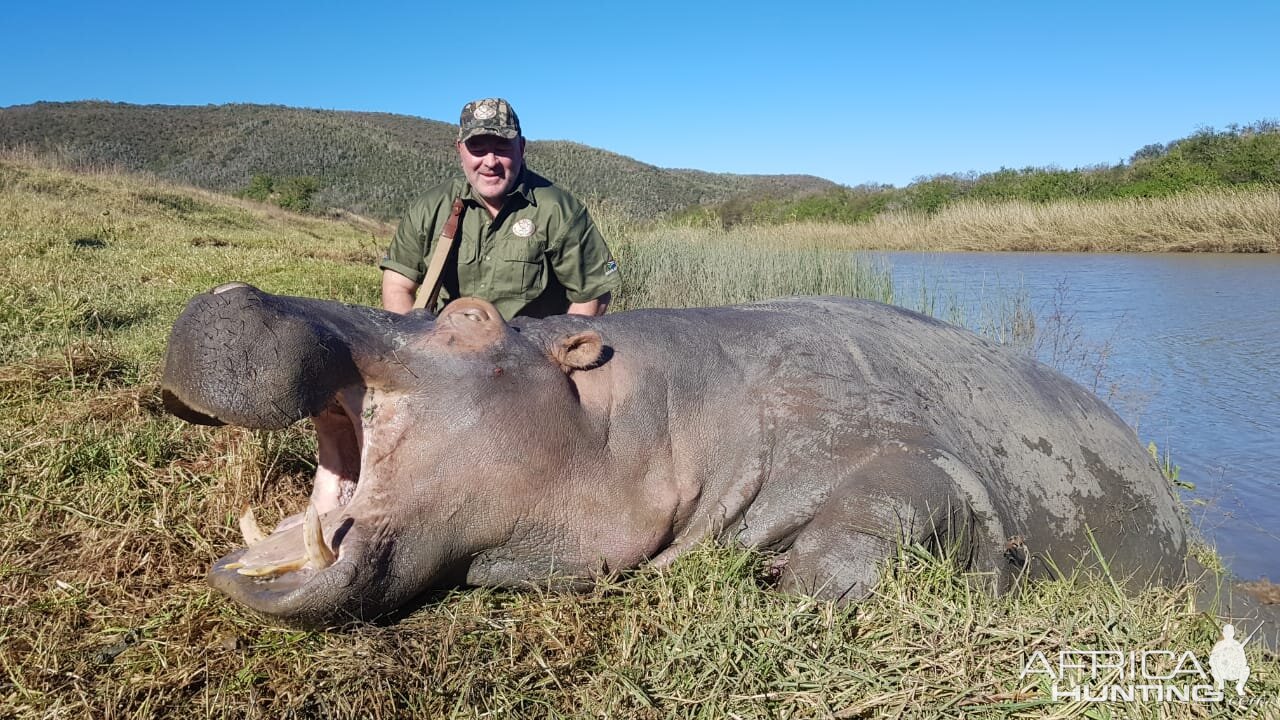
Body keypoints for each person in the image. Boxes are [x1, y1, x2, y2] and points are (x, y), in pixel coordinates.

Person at [380, 98, 620, 319]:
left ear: (522, 148)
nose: (490, 161)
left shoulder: (559, 210)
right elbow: (397, 285)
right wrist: (417, 348)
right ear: (459, 149)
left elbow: (593, 296)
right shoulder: (430, 208)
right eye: (477, 147)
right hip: (448, 352)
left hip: (529, 354)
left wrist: (555, 355)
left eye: (502, 146)